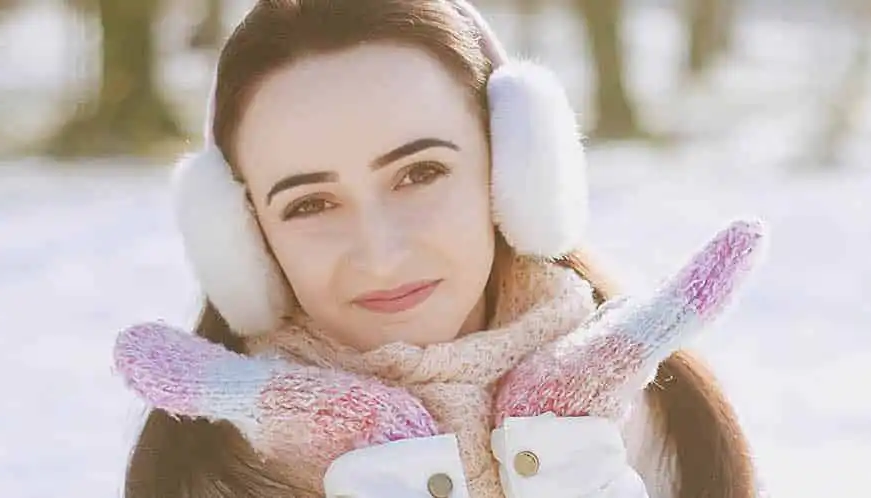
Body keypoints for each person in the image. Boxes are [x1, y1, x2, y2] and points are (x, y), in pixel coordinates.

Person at [111, 1, 768, 497]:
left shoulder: (662, 425)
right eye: (309, 204)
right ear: (244, 240)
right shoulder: (209, 475)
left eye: (420, 173)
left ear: (513, 172)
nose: (380, 254)